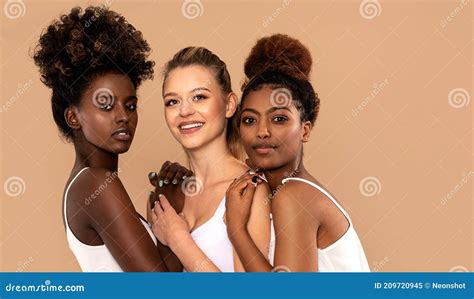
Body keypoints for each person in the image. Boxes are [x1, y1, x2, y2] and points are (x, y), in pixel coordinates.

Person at [34, 6, 174, 271]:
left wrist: (163, 214)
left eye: (130, 105)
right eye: (106, 105)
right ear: (73, 117)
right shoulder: (97, 184)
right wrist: (176, 213)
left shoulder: (86, 182)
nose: (123, 117)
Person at [225, 34, 370, 272]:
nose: (262, 131)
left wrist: (236, 230)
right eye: (250, 119)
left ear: (305, 129)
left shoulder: (294, 196)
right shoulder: (285, 190)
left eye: (279, 119)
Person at [150, 47, 272, 272]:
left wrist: (178, 239)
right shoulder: (173, 193)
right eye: (172, 102)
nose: (184, 111)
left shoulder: (250, 189)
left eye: (199, 97)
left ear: (229, 105)